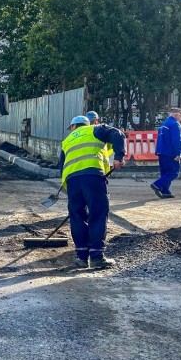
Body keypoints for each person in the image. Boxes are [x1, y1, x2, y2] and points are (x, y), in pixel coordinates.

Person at [59, 115, 126, 269]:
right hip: (93, 177)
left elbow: (61, 165)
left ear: (74, 127)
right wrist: (119, 156)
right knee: (98, 213)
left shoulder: (67, 140)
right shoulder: (96, 129)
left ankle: (81, 257)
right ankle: (96, 256)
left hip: (72, 181)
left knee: (77, 216)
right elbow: (118, 134)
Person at [151, 108, 181, 199]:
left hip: (161, 152)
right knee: (174, 173)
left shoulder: (164, 124)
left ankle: (165, 191)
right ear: (177, 114)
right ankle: (157, 184)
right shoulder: (174, 124)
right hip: (171, 153)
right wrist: (178, 153)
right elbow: (176, 140)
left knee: (165, 173)